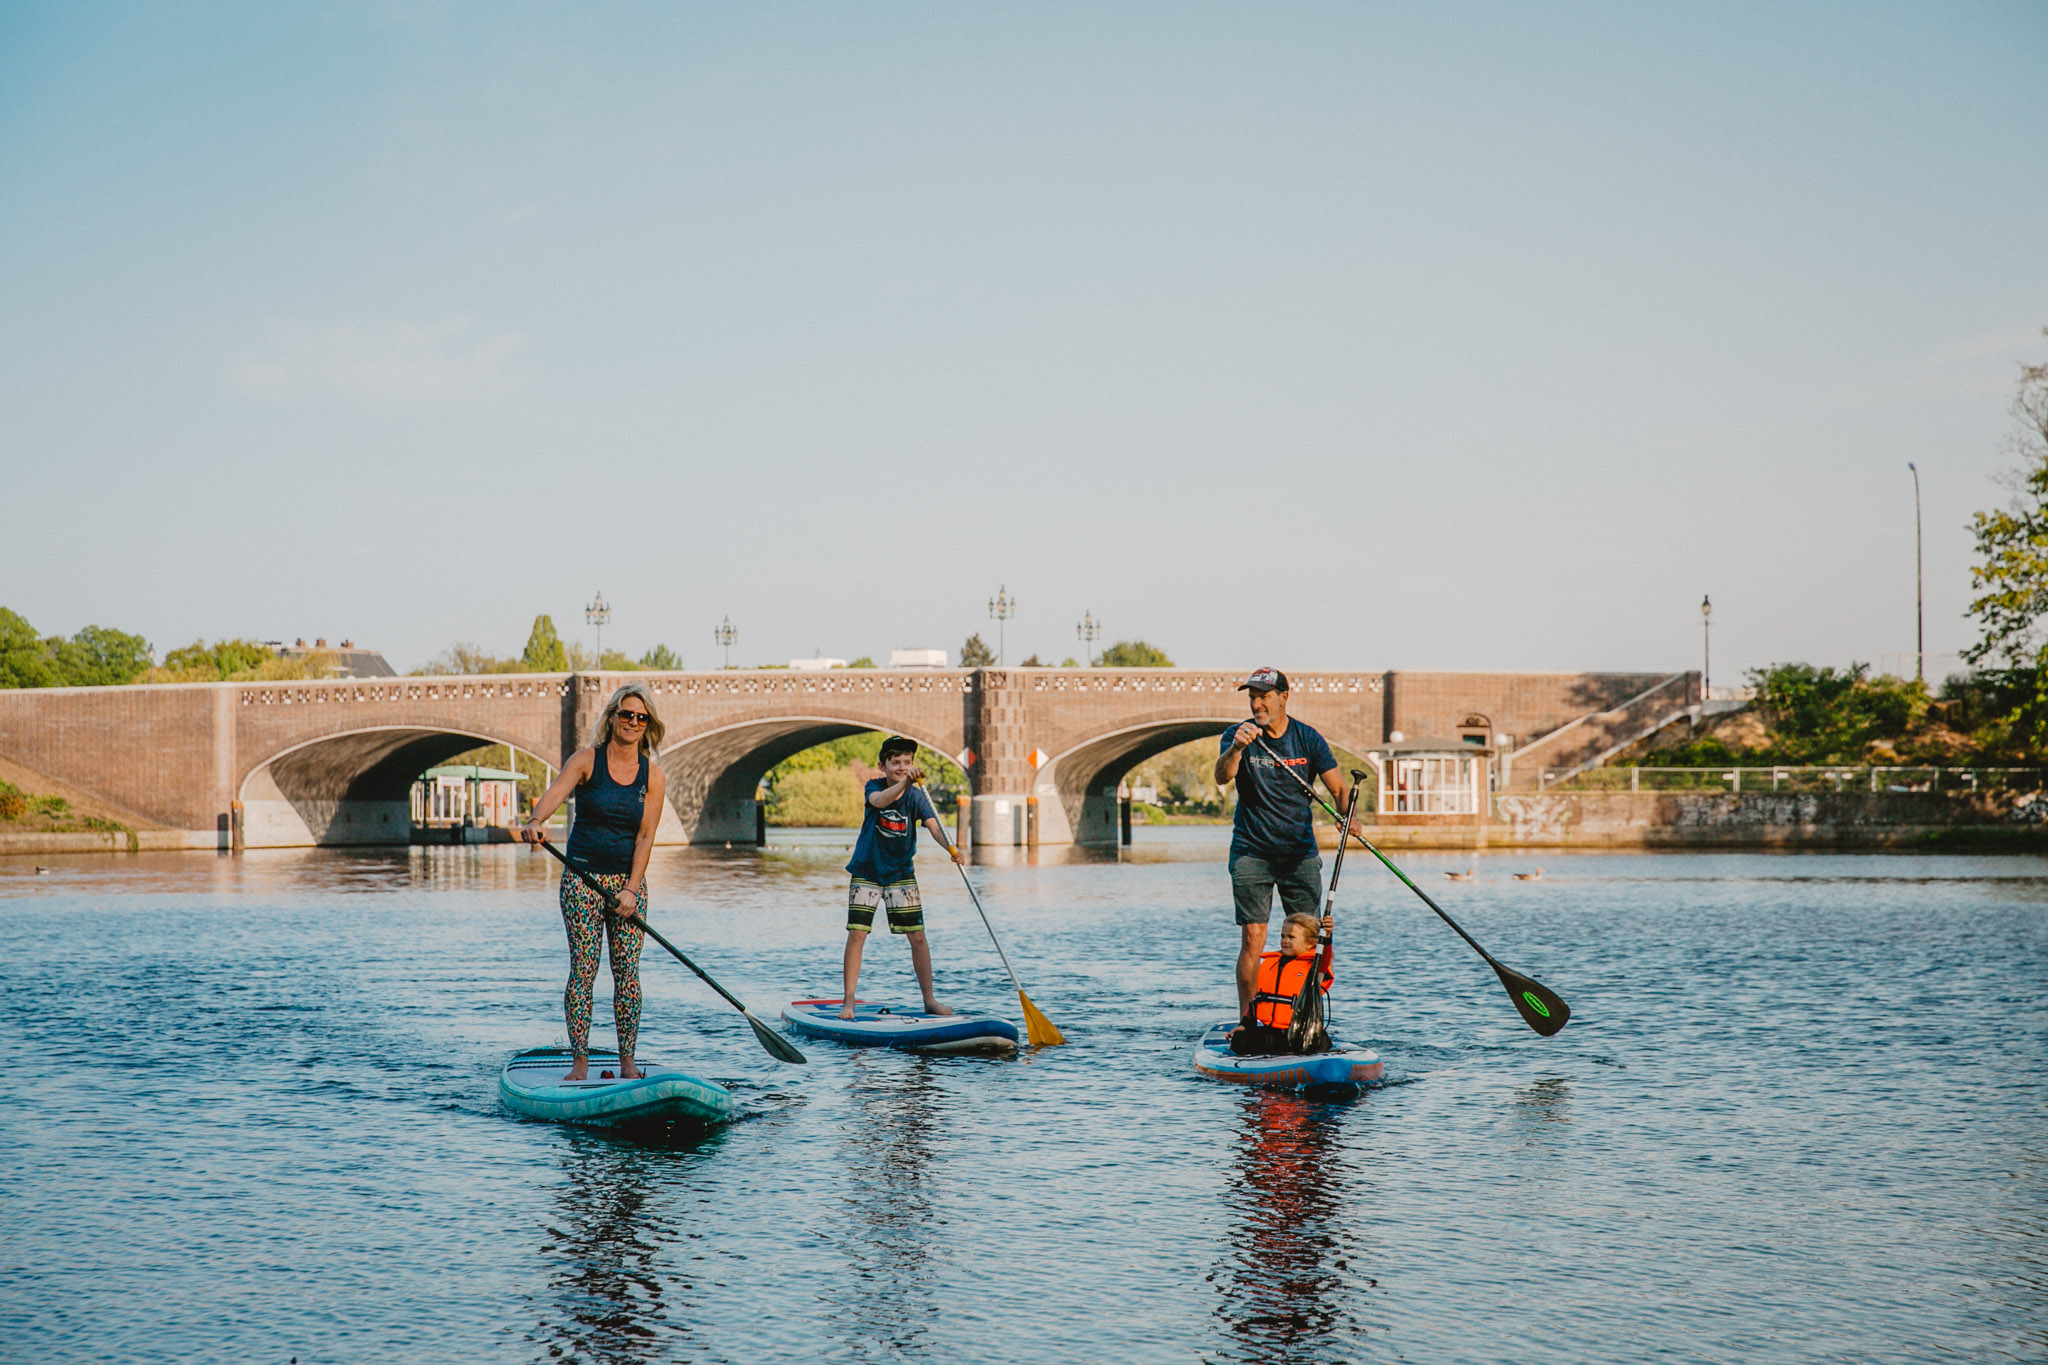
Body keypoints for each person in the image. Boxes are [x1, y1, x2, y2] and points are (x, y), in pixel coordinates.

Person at [519, 683, 668, 1081]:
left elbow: (646, 836)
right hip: (582, 880)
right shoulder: (587, 761)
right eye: (626, 714)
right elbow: (552, 796)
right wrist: (536, 822)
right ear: (612, 717)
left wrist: (631, 890)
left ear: (647, 724)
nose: (633, 722)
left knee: (628, 974)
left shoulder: (653, 776)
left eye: (641, 717)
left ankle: (627, 1061)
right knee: (584, 969)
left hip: (627, 886)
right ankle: (580, 1062)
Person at [1213, 667, 1356, 1019]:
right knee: (1253, 939)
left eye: (1263, 697)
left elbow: (1339, 789)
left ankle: (1305, 1018)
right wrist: (1236, 749)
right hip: (1251, 851)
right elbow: (1221, 776)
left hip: (1298, 854)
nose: (1257, 704)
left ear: (1283, 698)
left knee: (1308, 939)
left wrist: (1348, 816)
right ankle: (1249, 1020)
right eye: (1252, 698)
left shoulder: (1307, 738)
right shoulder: (1238, 735)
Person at [841, 735, 967, 1020]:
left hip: (901, 874)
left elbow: (934, 826)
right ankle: (848, 1002)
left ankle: (929, 1000)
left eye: (906, 762)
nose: (901, 767)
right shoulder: (874, 786)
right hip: (867, 871)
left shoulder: (916, 795)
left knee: (918, 938)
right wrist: (905, 782)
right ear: (882, 765)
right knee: (857, 935)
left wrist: (952, 848)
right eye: (895, 762)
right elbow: (881, 801)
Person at [1231, 911, 1335, 1055]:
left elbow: (1324, 958)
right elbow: (1257, 1000)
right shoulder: (1271, 963)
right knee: (1238, 1041)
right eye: (1283, 936)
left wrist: (1327, 937)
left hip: (1301, 1034)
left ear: (1310, 944)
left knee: (1313, 1045)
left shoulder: (1314, 968)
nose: (1285, 941)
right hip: (1272, 1034)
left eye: (1291, 937)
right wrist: (1244, 1025)